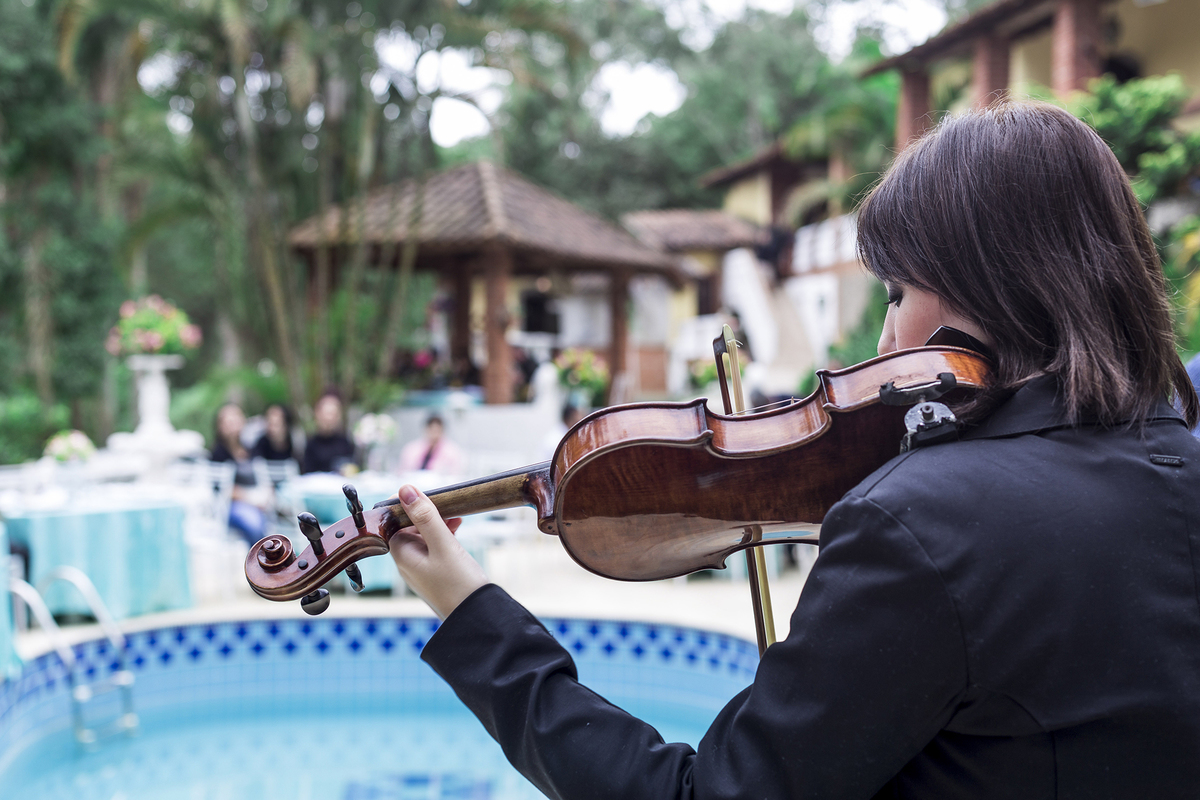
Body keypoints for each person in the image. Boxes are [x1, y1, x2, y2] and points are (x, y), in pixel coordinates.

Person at [385, 103, 1200, 797]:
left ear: (990, 282)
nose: (884, 338)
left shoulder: (925, 526)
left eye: (897, 293)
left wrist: (474, 620)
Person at [209, 402, 268, 545]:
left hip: (259, 502)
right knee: (254, 526)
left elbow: (263, 477)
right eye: (227, 421)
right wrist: (251, 498)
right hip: (231, 506)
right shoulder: (218, 454)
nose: (232, 424)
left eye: (236, 419)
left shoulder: (252, 449)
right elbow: (221, 490)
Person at [301, 390, 357, 474]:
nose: (329, 419)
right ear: (317, 414)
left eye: (333, 414)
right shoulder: (310, 444)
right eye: (326, 414)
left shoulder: (346, 443)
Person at [397, 413, 466, 476]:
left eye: (437, 429)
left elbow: (455, 475)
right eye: (431, 428)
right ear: (426, 429)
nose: (434, 432)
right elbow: (402, 472)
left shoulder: (452, 451)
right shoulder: (412, 449)